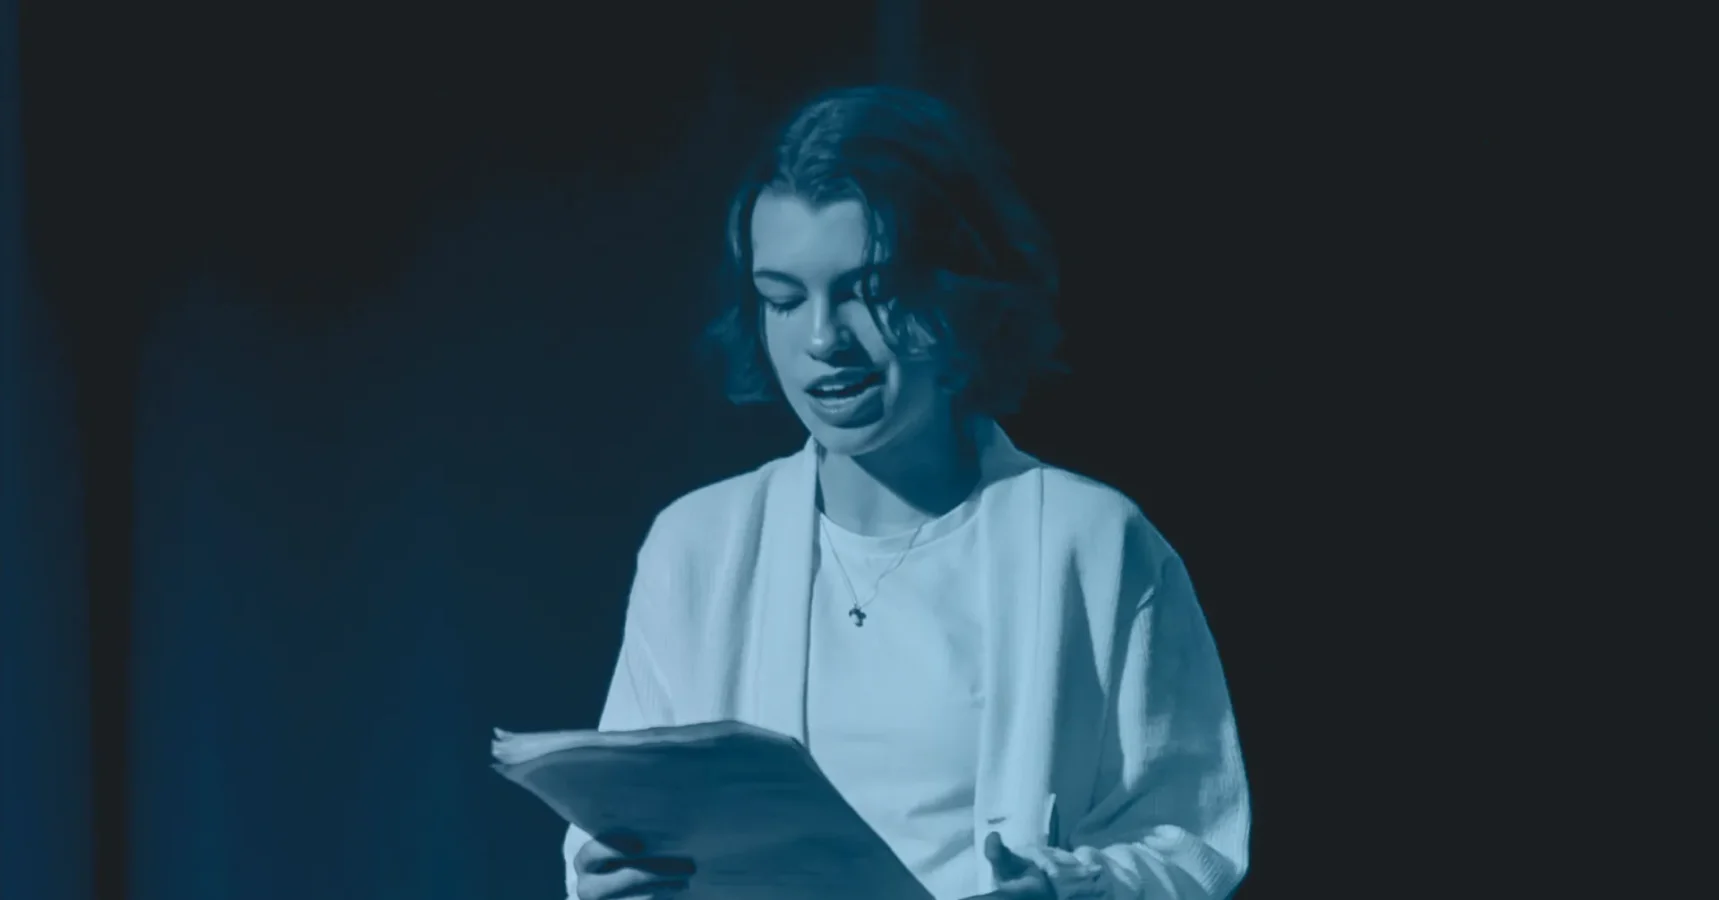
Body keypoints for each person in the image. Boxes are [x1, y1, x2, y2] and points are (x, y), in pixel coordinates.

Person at [494, 85, 1251, 900]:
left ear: (957, 289)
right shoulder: (697, 544)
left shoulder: (1092, 540)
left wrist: (1076, 889)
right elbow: (615, 835)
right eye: (783, 299)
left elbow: (1190, 840)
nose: (822, 339)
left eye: (866, 290)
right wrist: (612, 876)